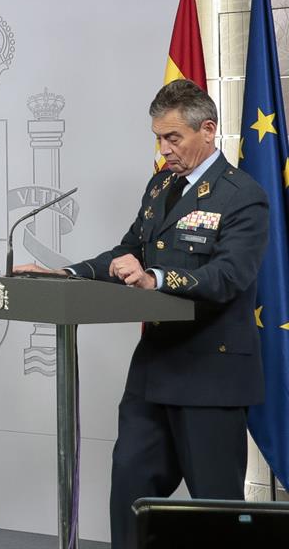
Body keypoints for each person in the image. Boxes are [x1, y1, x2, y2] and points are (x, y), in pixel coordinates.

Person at [15, 79, 269, 549]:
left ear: (208, 130)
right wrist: (65, 273)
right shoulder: (161, 186)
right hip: (154, 370)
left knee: (216, 511)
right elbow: (126, 251)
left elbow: (229, 277)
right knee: (130, 495)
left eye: (173, 138)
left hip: (209, 372)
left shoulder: (241, 195)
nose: (164, 148)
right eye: (158, 137)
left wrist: (156, 277)